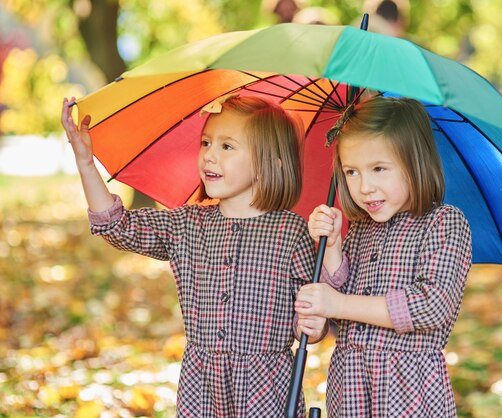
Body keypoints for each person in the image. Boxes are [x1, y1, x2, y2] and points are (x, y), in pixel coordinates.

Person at [61, 94, 326, 417]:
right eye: (206, 143)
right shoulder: (187, 223)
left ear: (269, 162)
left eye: (227, 147)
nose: (210, 156)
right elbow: (118, 227)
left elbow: (309, 317)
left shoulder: (292, 232)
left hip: (267, 387)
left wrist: (313, 325)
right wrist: (86, 164)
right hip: (202, 386)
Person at [296, 96, 472, 417]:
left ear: (414, 163)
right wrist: (333, 248)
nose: (365, 187)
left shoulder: (444, 223)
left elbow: (430, 306)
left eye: (378, 168)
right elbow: (340, 309)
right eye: (351, 172)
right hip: (350, 384)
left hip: (408, 388)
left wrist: (338, 303)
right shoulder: (363, 229)